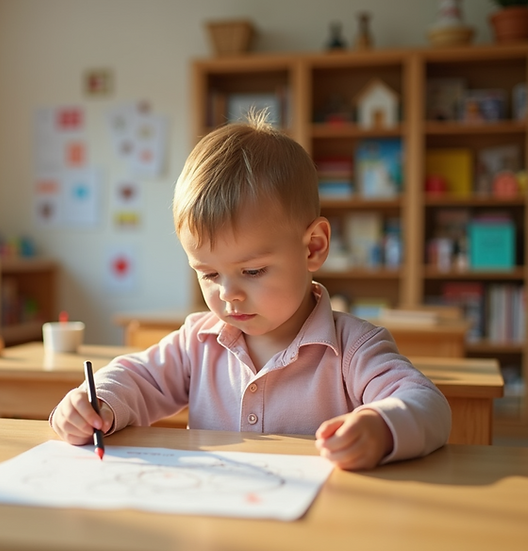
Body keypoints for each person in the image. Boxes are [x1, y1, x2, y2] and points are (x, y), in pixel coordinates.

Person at [50, 113, 451, 470]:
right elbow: (136, 378)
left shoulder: (354, 348)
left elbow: (427, 404)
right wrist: (94, 402)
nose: (228, 294)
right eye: (208, 274)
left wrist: (381, 426)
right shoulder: (198, 341)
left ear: (313, 247)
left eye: (252, 270)